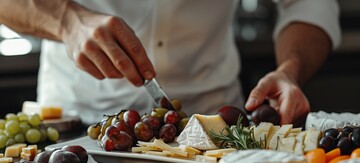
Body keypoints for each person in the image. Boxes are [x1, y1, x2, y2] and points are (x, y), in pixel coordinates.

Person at [0, 0, 340, 126]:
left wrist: (290, 69)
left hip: (217, 132)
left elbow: (307, 4)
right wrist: (66, 20)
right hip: (76, 130)